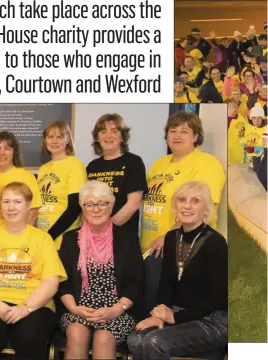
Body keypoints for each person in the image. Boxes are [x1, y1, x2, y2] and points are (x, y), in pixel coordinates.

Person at [0, 182, 67, 359]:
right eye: (6, 202)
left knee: (30, 339)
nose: (11, 207)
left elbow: (51, 282)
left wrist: (25, 309)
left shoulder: (43, 238)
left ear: (29, 206)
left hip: (34, 305)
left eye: (17, 202)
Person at [128, 182, 227, 360]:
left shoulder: (216, 242)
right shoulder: (172, 237)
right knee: (135, 339)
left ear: (206, 209)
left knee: (155, 342)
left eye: (195, 201)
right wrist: (159, 315)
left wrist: (175, 317)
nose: (187, 206)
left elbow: (217, 298)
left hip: (214, 319)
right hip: (179, 313)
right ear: (175, 206)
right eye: (182, 200)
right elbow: (166, 283)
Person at [141, 112, 225, 313]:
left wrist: (170, 236)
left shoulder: (206, 163)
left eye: (184, 131)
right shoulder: (159, 164)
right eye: (173, 131)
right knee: (146, 307)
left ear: (196, 136)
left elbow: (202, 208)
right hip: (149, 247)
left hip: (175, 247)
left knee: (161, 310)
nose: (177, 135)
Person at [57, 181, 144, 359]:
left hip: (117, 309)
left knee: (103, 337)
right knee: (76, 333)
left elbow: (136, 282)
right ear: (82, 207)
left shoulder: (127, 239)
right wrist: (74, 308)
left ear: (111, 206)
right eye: (89, 204)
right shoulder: (69, 239)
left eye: (102, 203)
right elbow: (62, 281)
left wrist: (116, 309)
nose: (96, 209)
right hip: (79, 308)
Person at [86, 114, 147, 243]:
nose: (109, 136)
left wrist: (107, 229)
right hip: (95, 238)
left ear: (122, 137)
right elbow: (86, 204)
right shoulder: (92, 167)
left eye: (114, 131)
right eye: (103, 131)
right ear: (97, 137)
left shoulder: (133, 162)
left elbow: (133, 203)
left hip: (124, 239)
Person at [36, 121, 87, 249]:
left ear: (68, 139)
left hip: (63, 240)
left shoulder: (74, 165)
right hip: (42, 238)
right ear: (45, 140)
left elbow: (75, 207)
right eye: (50, 137)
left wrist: (50, 235)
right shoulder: (43, 169)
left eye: (59, 137)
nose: (54, 141)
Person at [0, 131, 42, 226]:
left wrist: (23, 237)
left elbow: (33, 211)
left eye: (7, 148)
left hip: (17, 235)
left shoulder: (26, 176)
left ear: (14, 152)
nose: (2, 153)